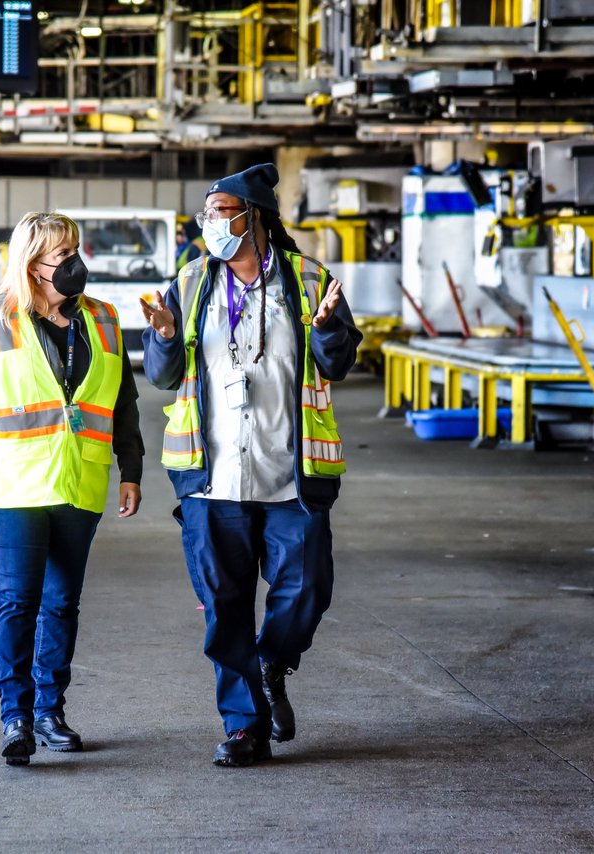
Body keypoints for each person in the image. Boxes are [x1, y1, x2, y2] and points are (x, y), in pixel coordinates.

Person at [139, 164, 362, 768]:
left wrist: (329, 333)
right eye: (207, 214)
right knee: (224, 607)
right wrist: (160, 338)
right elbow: (162, 376)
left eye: (221, 212)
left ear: (254, 217)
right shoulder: (188, 284)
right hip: (212, 479)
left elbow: (337, 364)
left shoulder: (311, 280)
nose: (210, 223)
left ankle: (273, 660)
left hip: (292, 475)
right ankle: (244, 729)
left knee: (309, 588)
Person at [0, 211, 144, 767]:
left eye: (77, 250)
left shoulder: (102, 319)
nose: (76, 264)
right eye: (62, 254)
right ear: (31, 266)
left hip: (80, 482)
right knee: (18, 601)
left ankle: (51, 713)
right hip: (13, 487)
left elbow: (122, 402)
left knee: (61, 603)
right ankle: (16, 717)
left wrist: (132, 469)